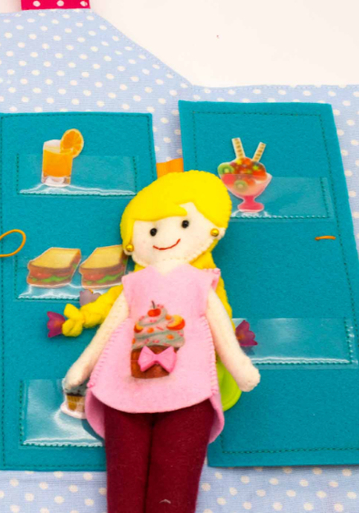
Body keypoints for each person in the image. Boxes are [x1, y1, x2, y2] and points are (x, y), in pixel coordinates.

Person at [63, 170, 260, 512]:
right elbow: (109, 329)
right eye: (151, 230)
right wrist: (82, 367)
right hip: (124, 388)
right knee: (124, 478)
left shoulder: (202, 282)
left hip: (187, 390)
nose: (164, 237)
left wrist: (239, 367)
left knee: (176, 479)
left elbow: (221, 330)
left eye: (184, 224)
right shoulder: (132, 284)